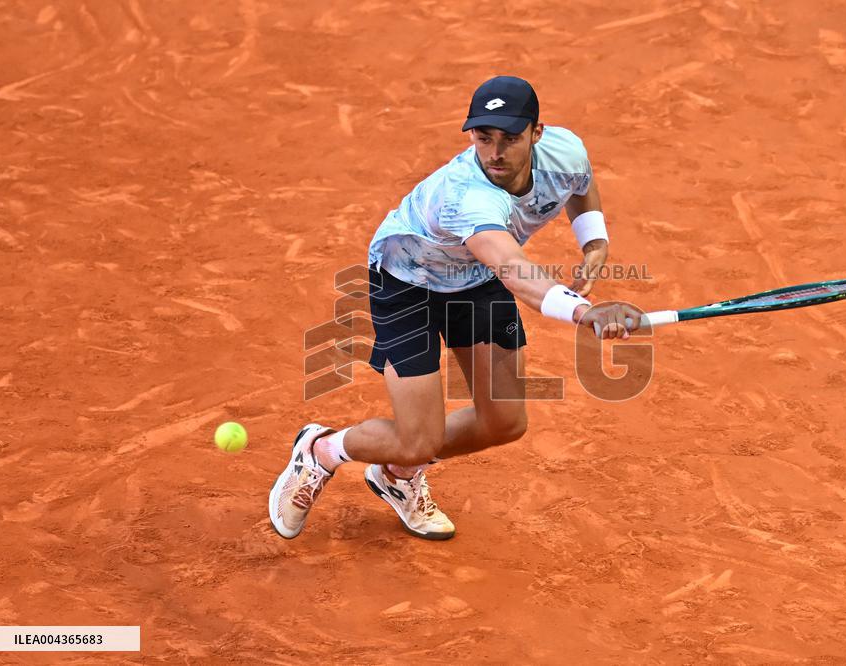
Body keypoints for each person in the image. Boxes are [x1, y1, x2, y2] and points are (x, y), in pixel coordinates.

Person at [269, 75, 643, 541]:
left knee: (504, 422)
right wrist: (584, 312)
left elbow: (581, 183)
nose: (495, 153)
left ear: (537, 133)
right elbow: (512, 268)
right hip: (407, 284)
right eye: (484, 138)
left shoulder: (565, 151)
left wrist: (594, 242)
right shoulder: (467, 195)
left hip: (474, 281)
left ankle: (397, 477)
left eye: (510, 138)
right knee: (417, 440)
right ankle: (322, 450)